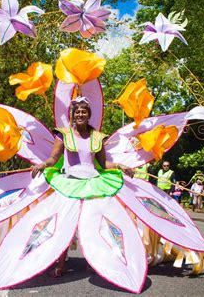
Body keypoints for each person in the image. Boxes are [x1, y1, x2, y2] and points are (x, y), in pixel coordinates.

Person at [31, 96, 134, 277]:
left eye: (84, 111)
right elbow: (54, 158)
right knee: (64, 222)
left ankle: (94, 261)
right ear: (73, 115)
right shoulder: (63, 134)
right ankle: (60, 263)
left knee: (92, 222)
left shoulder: (97, 137)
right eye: (77, 111)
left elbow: (103, 164)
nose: (80, 114)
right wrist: (42, 165)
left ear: (89, 115)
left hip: (92, 183)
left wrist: (120, 166)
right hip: (69, 183)